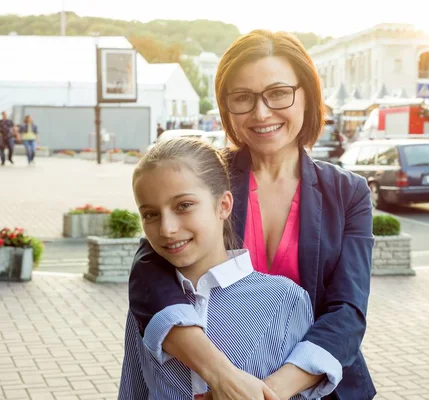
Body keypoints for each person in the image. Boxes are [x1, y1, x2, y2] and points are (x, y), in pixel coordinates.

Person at [128, 30, 375, 400]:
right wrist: (222, 374)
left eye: (278, 93)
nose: (261, 113)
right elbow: (149, 270)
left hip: (320, 388)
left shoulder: (348, 192)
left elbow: (348, 311)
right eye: (242, 98)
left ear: (307, 93)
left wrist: (263, 393)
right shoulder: (207, 175)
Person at [119, 138, 341, 399]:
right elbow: (132, 391)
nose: (167, 228)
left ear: (223, 205)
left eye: (184, 206)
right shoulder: (146, 306)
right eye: (151, 214)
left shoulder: (286, 299)